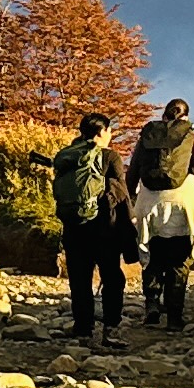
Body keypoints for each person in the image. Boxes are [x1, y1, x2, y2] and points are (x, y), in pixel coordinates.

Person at [128, 98, 194, 331]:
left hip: (149, 205)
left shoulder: (147, 135)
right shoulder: (191, 134)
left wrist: (129, 205)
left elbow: (132, 174)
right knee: (179, 261)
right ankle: (175, 318)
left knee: (152, 257)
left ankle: (151, 306)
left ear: (164, 115)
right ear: (186, 116)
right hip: (182, 206)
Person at [51, 109, 130, 342]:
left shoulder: (67, 155)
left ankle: (83, 327)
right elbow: (121, 192)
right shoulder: (109, 157)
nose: (111, 134)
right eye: (109, 130)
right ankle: (111, 328)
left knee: (79, 277)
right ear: (100, 132)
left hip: (74, 225)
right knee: (112, 277)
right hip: (104, 226)